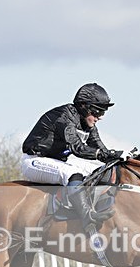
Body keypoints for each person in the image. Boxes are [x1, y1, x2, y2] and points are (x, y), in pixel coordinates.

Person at [21, 83, 131, 229]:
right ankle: (87, 216)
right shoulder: (64, 117)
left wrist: (120, 156)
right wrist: (108, 154)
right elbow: (77, 148)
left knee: (98, 170)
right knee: (73, 174)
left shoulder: (88, 124)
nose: (100, 117)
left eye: (103, 113)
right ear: (84, 107)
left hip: (56, 161)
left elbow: (101, 151)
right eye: (98, 112)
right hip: (34, 161)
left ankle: (90, 205)